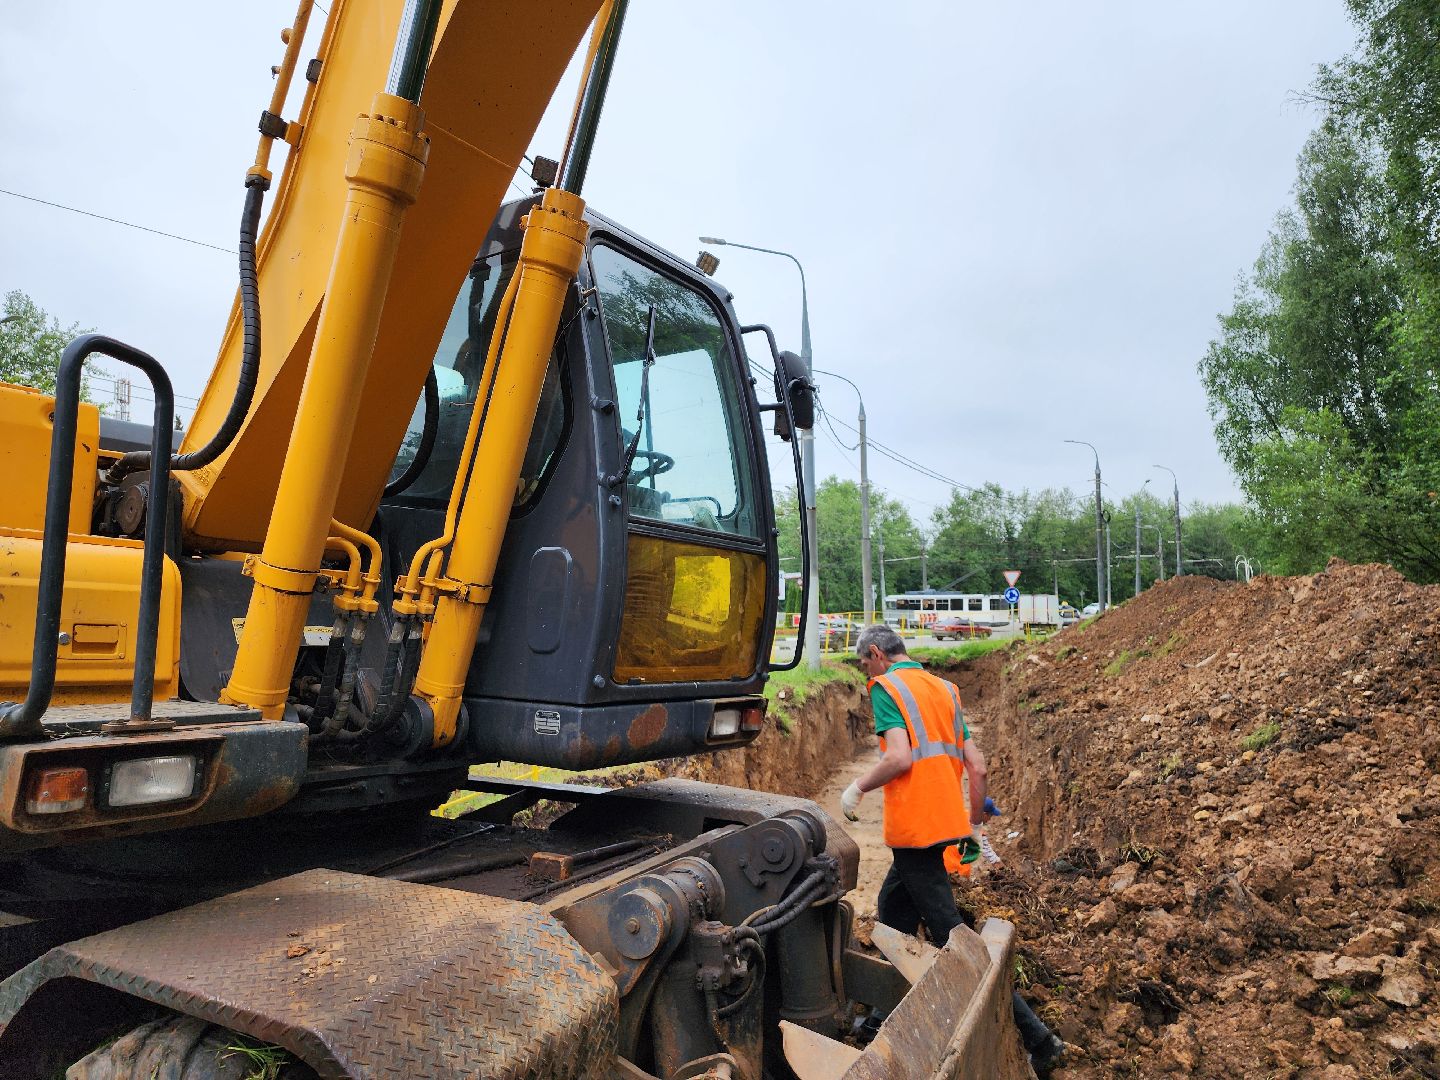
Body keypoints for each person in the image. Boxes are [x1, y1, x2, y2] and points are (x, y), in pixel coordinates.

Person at [841, 625, 1066, 1075]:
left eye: (864, 664)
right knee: (893, 908)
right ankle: (882, 1016)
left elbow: (900, 758)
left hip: (916, 829)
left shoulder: (885, 688)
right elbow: (977, 767)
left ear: (875, 654)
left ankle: (1039, 1038)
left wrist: (858, 787)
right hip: (945, 825)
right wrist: (977, 826)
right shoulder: (944, 689)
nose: (865, 672)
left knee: (947, 930)